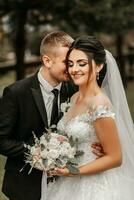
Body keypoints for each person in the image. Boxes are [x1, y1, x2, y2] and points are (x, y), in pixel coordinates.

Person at [41, 35, 134, 200]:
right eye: (70, 64)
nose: (74, 69)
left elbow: (115, 158)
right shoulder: (74, 97)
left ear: (98, 66)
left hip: (94, 186)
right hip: (67, 183)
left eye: (82, 63)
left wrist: (74, 171)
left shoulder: (99, 104)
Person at [0, 31, 78, 200]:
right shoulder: (16, 93)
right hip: (24, 185)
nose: (72, 68)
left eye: (73, 62)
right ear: (47, 60)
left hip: (63, 186)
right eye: (67, 62)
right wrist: (34, 152)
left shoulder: (73, 91)